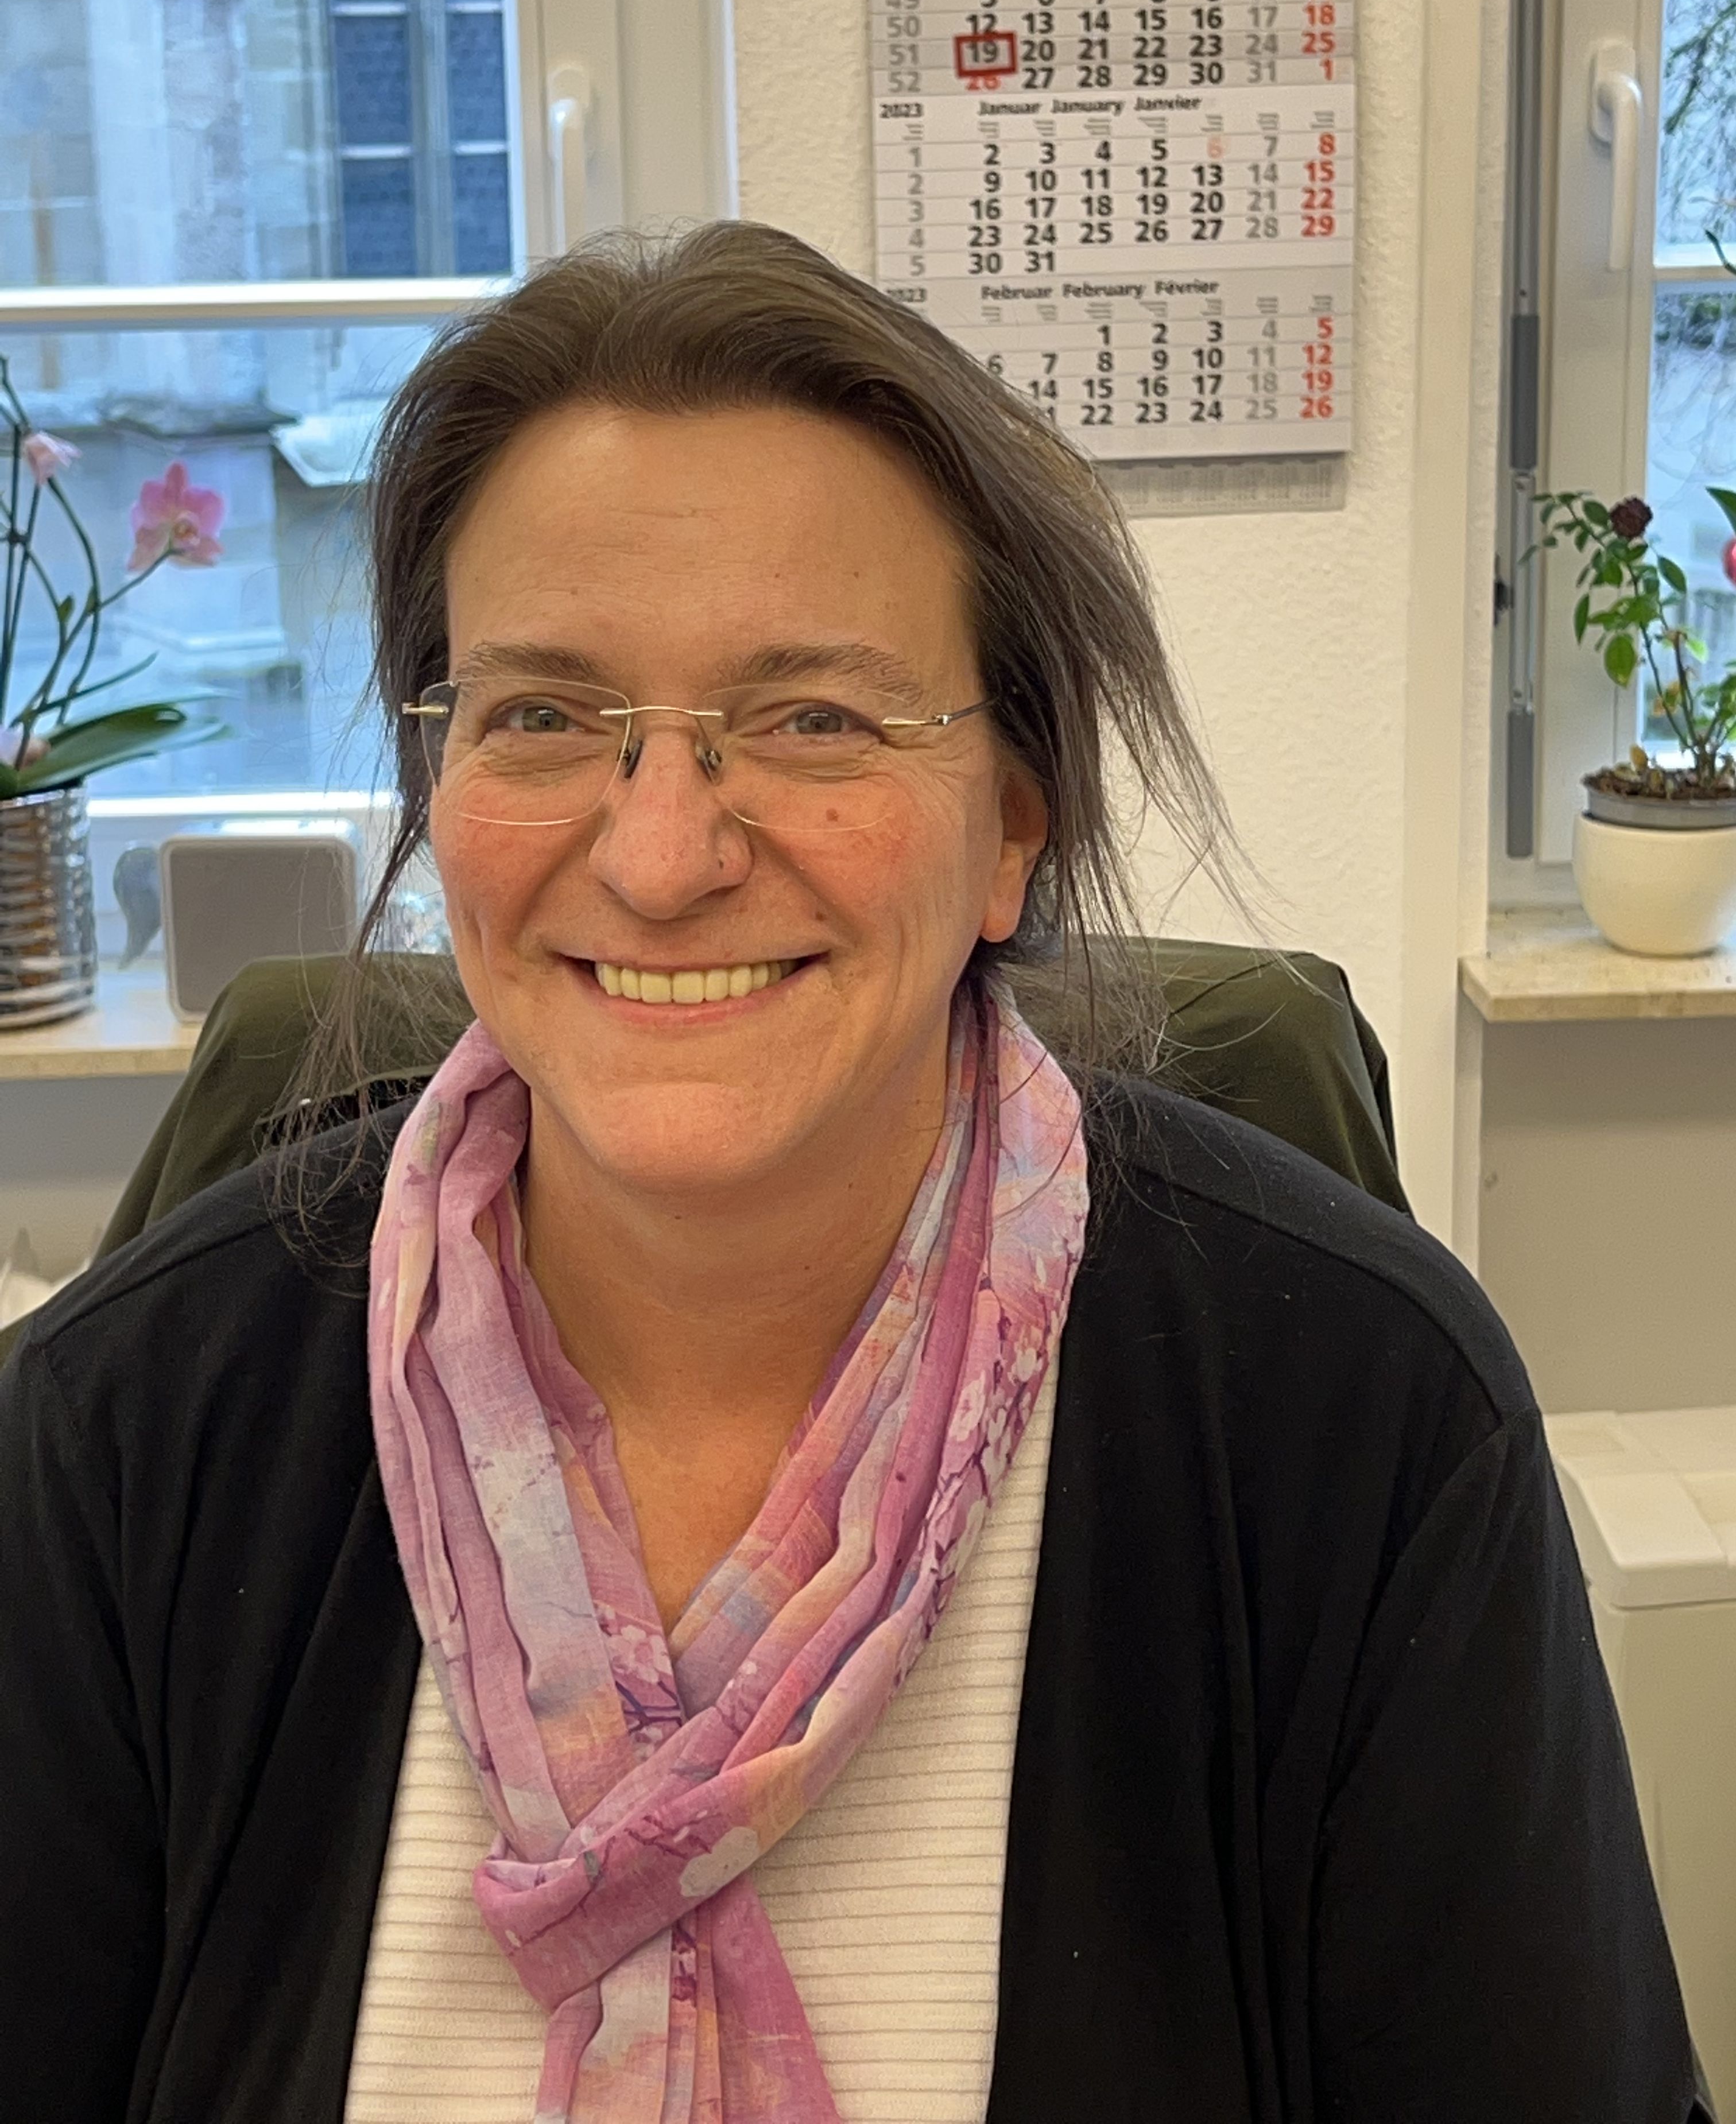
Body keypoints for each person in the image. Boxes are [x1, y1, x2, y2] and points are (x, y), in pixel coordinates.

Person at [0, 223, 1704, 2124]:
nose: (660, 857)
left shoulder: (1363, 1426)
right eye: (543, 715)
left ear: (1011, 832)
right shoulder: (121, 1437)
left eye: (815, 718)